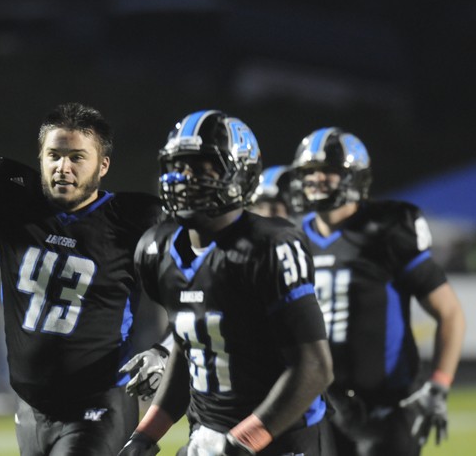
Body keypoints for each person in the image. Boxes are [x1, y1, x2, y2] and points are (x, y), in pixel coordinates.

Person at [0, 56, 167, 452]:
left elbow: (197, 290)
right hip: (30, 408)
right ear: (40, 158)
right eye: (54, 155)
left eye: (77, 157)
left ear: (103, 165)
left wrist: (166, 348)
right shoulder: (15, 208)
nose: (63, 167)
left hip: (98, 406)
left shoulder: (131, 222)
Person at [120, 110, 335, 456]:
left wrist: (240, 443)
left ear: (241, 172)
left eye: (202, 168)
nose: (185, 179)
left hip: (282, 438)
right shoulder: (156, 249)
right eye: (179, 167)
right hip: (208, 434)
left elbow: (314, 366)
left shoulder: (268, 246)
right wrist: (146, 435)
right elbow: (188, 347)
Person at [289, 127, 466, 456]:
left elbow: (449, 312)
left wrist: (439, 386)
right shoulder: (292, 239)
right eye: (309, 172)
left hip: (388, 408)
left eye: (328, 171)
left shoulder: (386, 230)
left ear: (355, 177)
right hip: (322, 407)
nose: (316, 180)